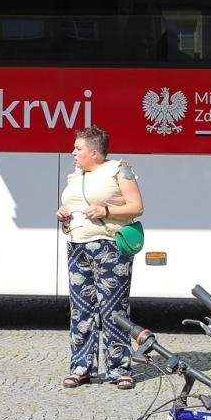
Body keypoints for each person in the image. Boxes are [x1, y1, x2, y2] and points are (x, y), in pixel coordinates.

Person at [55, 126, 144, 389]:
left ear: (94, 152)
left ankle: (119, 369)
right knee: (80, 309)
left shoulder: (118, 169)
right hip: (77, 246)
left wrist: (105, 210)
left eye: (78, 148)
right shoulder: (76, 175)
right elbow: (74, 207)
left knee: (113, 309)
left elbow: (137, 207)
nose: (73, 152)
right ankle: (81, 368)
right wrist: (63, 214)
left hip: (110, 247)